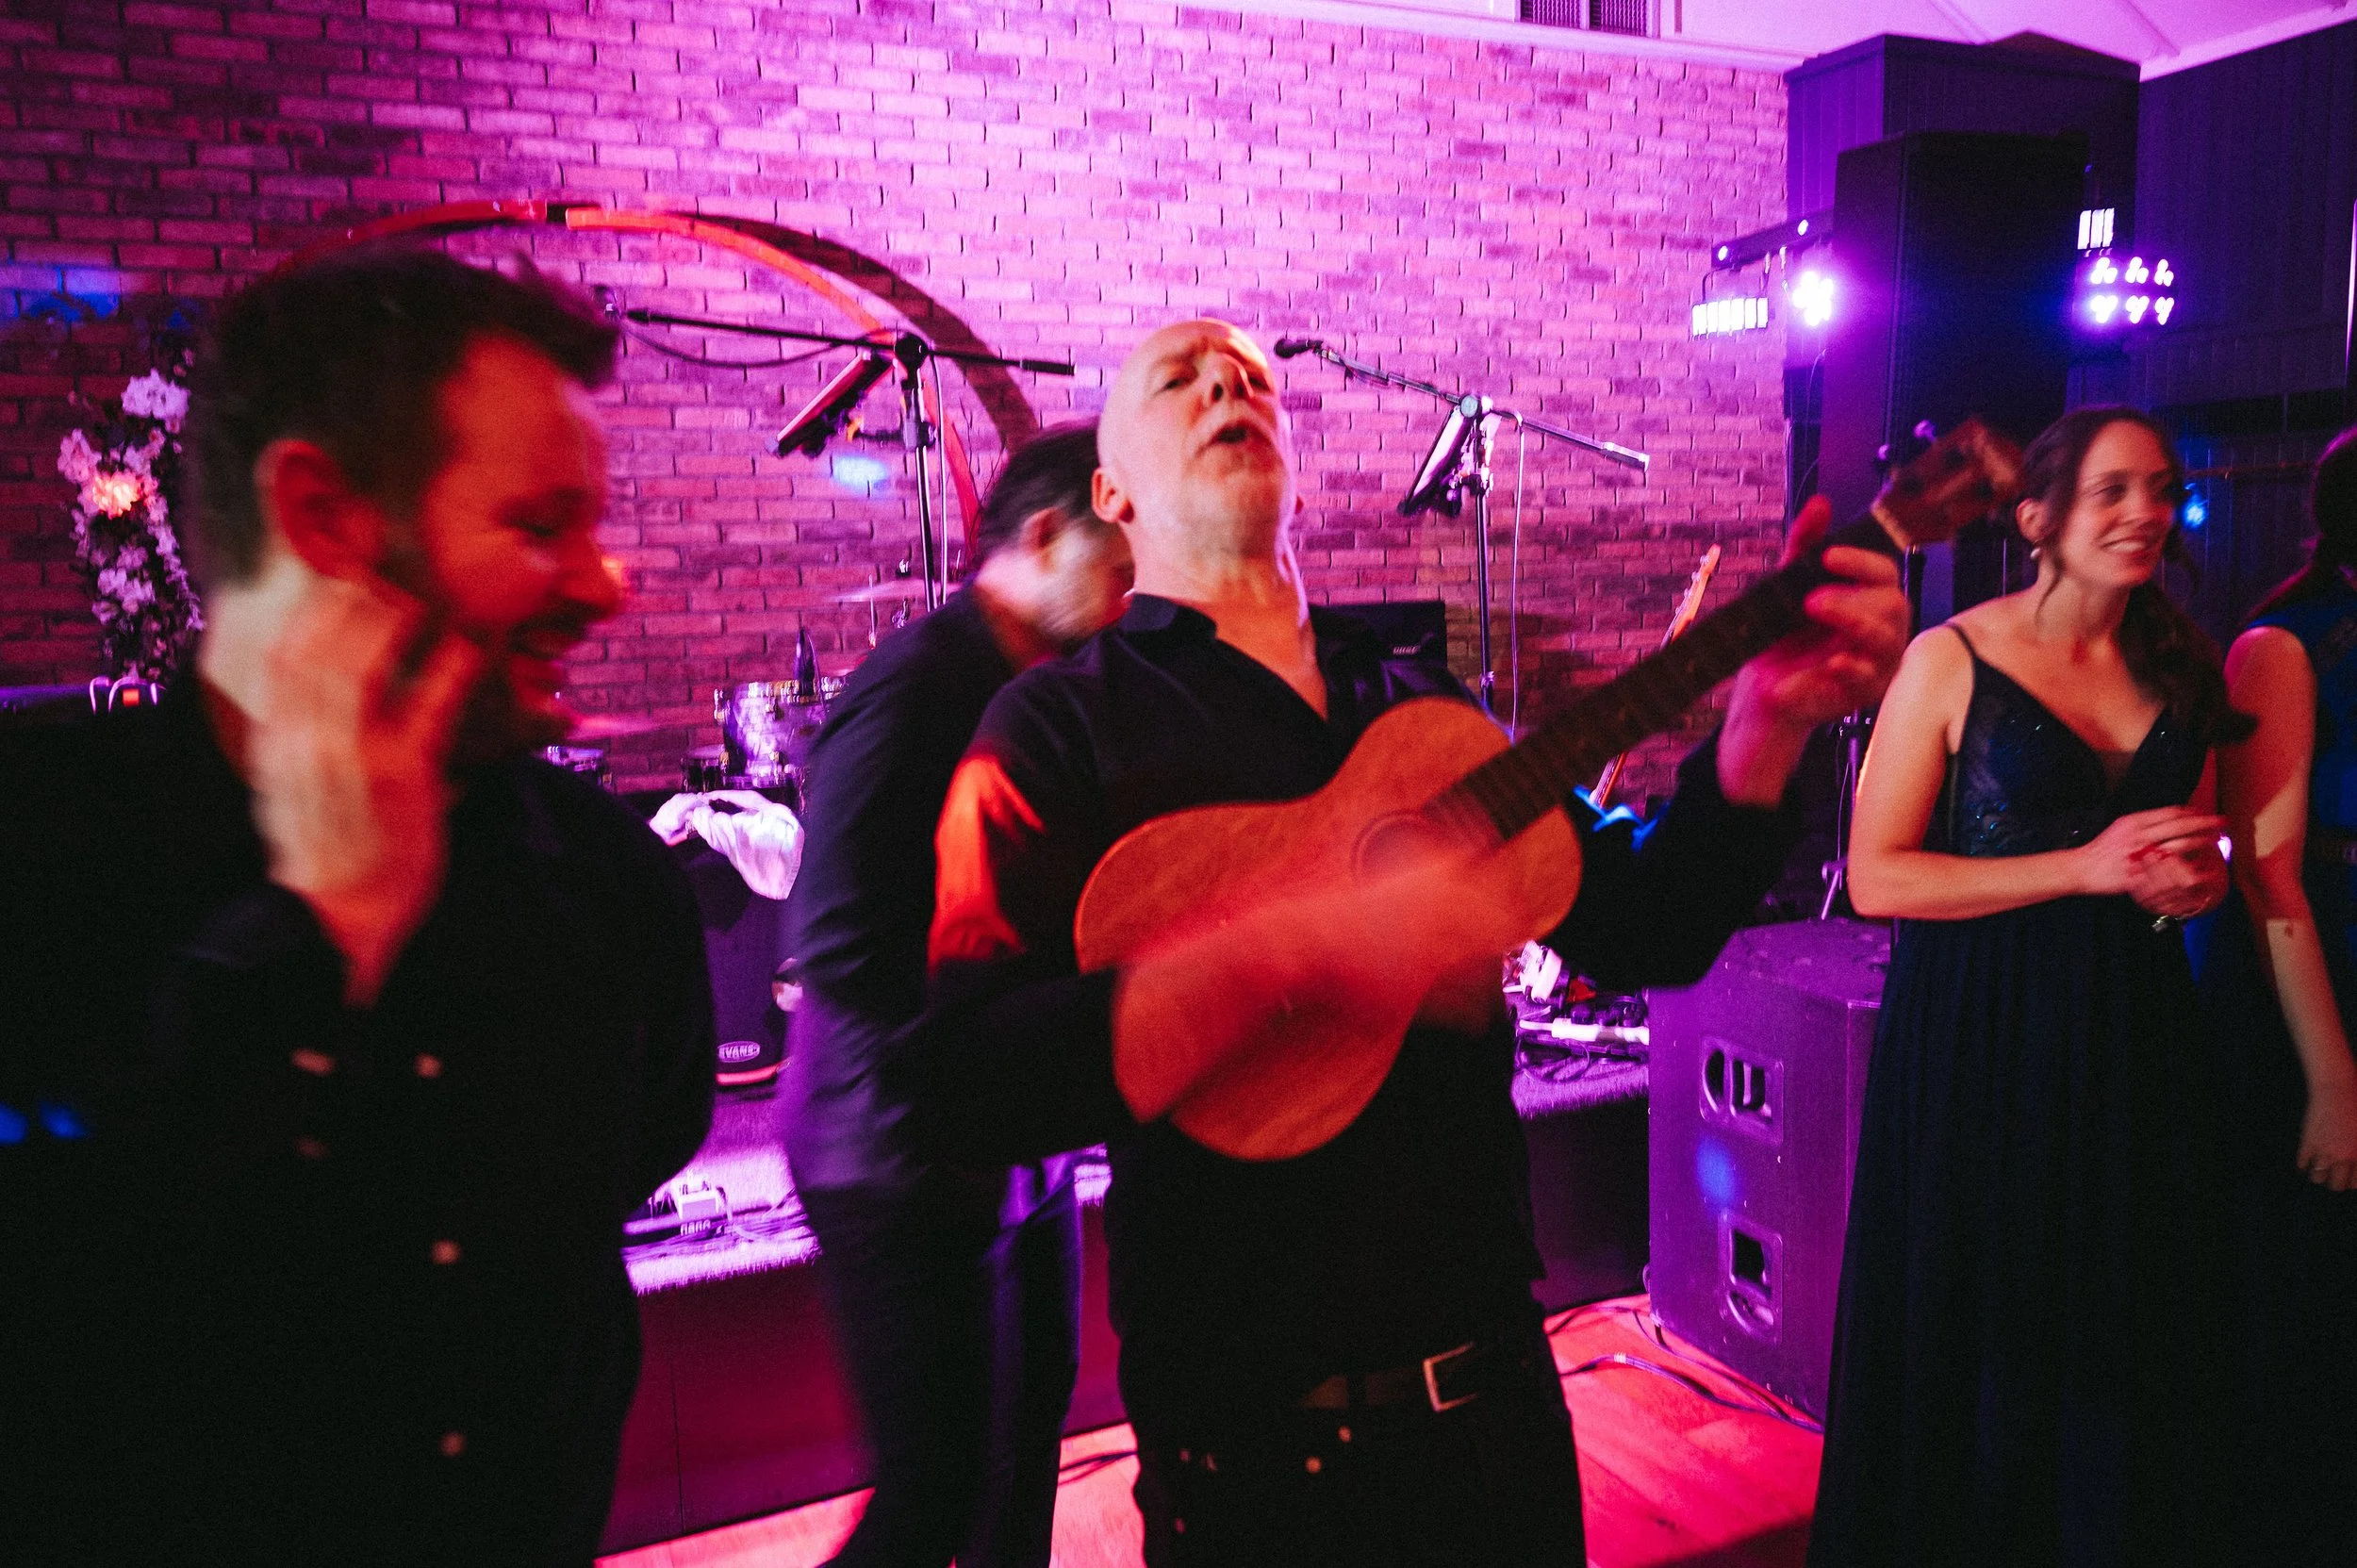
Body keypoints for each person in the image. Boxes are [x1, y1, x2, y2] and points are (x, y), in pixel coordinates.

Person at [904, 318, 1909, 1565]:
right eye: (1183, 377)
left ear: (1298, 470)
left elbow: (1647, 918)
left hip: (1496, 1413)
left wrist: (1765, 722)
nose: (1232, 381)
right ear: (1110, 491)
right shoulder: (1057, 727)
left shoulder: (1428, 710)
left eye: (1258, 379)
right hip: (1252, 1459)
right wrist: (1298, 941)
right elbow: (968, 1081)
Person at [0, 248, 716, 1563]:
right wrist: (312, 943)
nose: (605, 582)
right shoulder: (41, 853)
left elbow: (614, 1203)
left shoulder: (608, 879)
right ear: (324, 517)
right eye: (540, 524)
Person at [1815, 407, 2244, 1566]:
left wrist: (2186, 887)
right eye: (2111, 492)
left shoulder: (2181, 665)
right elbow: (1875, 876)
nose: (2145, 512)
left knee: (2114, 1323)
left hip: (2134, 1031)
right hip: (1978, 1039)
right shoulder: (1950, 657)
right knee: (1982, 1316)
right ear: (2037, 520)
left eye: (2158, 488)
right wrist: (2084, 866)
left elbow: (2187, 858)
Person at [781, 422, 1132, 1568]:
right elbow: (837, 946)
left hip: (1007, 1139)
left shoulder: (1044, 687)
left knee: (1025, 1446)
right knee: (932, 1492)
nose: (1134, 594)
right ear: (1042, 535)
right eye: (1117, 562)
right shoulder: (919, 685)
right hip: (897, 1149)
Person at [2185, 423, 2357, 1560]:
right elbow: (2268, 867)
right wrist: (2330, 1075)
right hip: (2317, 967)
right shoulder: (2283, 642)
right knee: (2305, 1296)